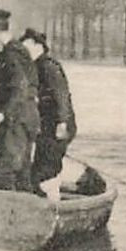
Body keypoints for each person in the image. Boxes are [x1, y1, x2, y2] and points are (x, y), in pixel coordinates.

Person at [0, 4, 39, 191]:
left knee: (1, 176)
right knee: (21, 175)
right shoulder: (18, 51)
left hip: (16, 123)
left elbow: (19, 89)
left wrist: (0, 116)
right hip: (25, 119)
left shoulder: (11, 55)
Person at [22, 29, 76, 201]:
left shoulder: (49, 66)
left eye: (27, 46)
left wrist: (62, 122)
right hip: (47, 128)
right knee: (41, 167)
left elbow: (62, 95)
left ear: (39, 46)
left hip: (58, 127)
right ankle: (44, 198)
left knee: (46, 172)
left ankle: (53, 205)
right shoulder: (36, 66)